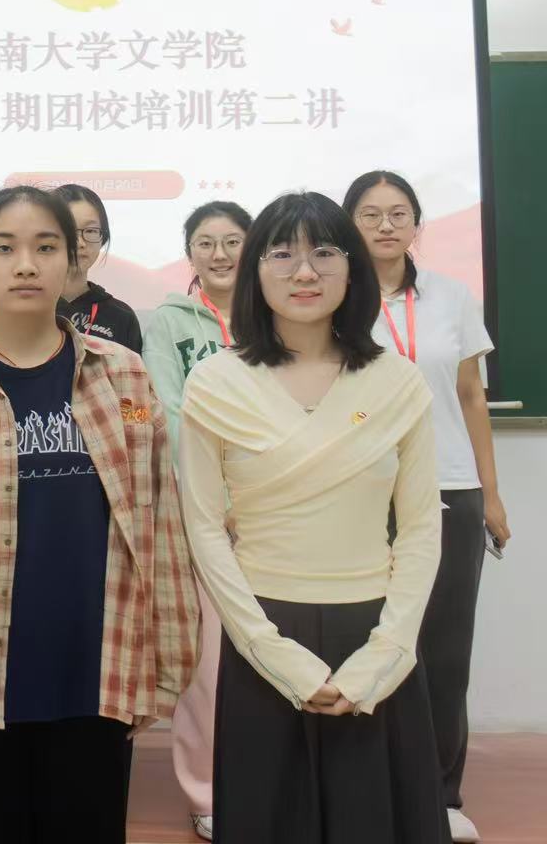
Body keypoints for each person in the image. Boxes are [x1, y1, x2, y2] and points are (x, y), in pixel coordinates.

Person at [0, 186, 198, 844]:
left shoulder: (124, 375)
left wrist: (168, 665)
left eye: (46, 247)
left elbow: (159, 525)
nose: (26, 264)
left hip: (99, 678)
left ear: (71, 263)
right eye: (4, 248)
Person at [180, 191, 444, 844]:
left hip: (375, 637)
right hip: (264, 636)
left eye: (324, 252)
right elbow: (204, 528)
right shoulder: (215, 382)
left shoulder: (397, 382)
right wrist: (270, 653)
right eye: (282, 254)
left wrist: (386, 654)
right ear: (255, 270)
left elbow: (419, 530)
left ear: (352, 267)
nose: (304, 272)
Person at [343, 170, 505, 844]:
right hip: (360, 491)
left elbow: (470, 396)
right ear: (349, 224)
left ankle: (440, 794)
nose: (386, 225)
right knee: (366, 641)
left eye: (398, 213)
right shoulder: (334, 298)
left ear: (416, 224)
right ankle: (367, 786)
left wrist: (490, 493)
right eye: (370, 214)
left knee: (443, 647)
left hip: (450, 486)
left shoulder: (451, 295)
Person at [140, 201, 253, 843]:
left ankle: (273, 779)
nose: (219, 253)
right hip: (205, 510)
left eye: (232, 240)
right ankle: (206, 792)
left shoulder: (278, 314)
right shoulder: (168, 321)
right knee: (208, 663)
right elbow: (168, 409)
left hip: (279, 507)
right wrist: (218, 495)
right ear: (190, 253)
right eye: (205, 242)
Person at [54, 183, 143, 353]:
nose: (80, 243)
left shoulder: (121, 316)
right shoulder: (27, 305)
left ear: (103, 237)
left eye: (91, 231)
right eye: (68, 230)